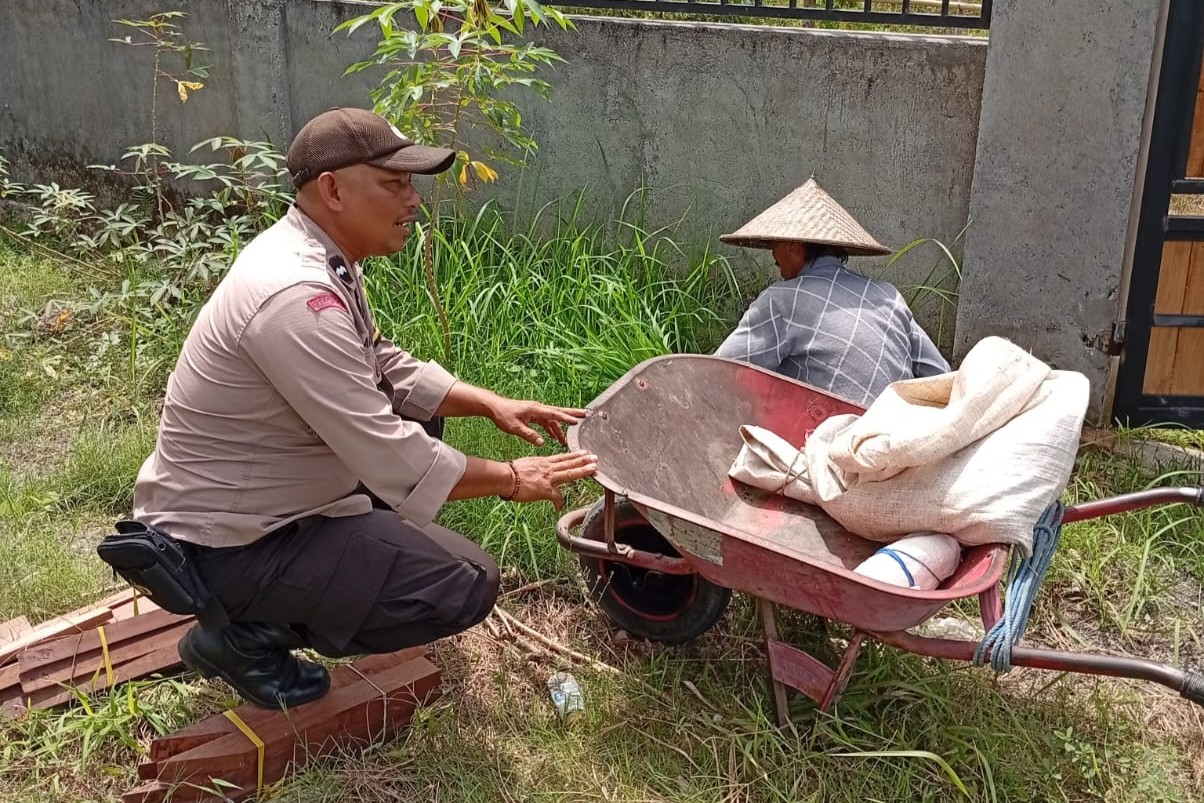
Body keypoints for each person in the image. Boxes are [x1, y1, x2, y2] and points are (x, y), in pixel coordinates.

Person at [127, 107, 597, 709]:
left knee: (424, 415)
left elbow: (377, 362)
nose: (413, 201)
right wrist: (510, 478)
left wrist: (489, 403)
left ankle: (323, 576)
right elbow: (389, 453)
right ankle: (243, 634)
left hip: (268, 502)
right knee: (463, 585)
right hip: (231, 544)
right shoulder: (294, 296)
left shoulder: (318, 256)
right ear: (333, 189)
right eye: (395, 183)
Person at [714, 178, 949, 406]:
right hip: (898, 434)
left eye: (775, 244)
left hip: (833, 439)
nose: (773, 255)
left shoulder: (783, 301)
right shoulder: (889, 296)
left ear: (794, 246)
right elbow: (943, 377)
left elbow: (717, 374)